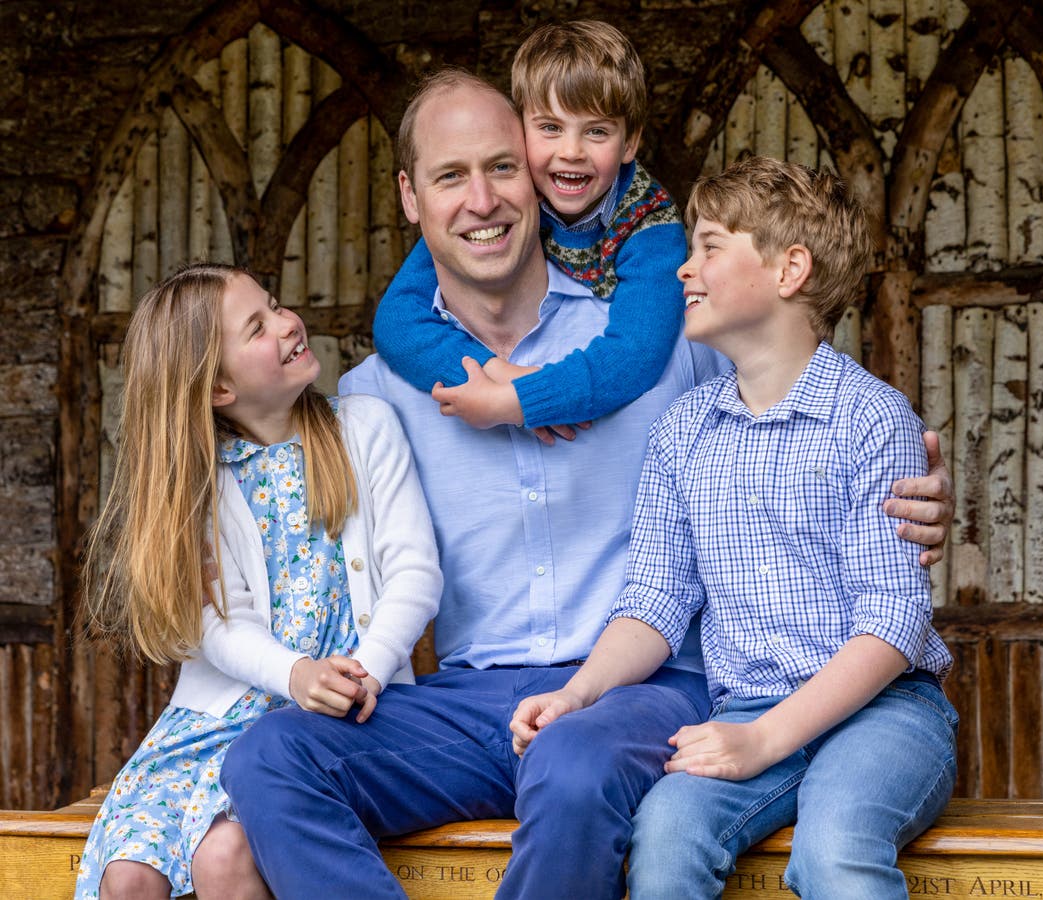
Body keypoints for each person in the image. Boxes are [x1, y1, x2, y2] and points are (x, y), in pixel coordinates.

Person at [220, 73, 955, 900]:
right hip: (471, 702)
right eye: (450, 176)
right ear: (410, 197)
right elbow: (257, 483)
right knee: (269, 757)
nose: (482, 200)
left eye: (502, 167)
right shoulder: (374, 396)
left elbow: (796, 407)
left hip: (645, 692)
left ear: (537, 179)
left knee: (573, 764)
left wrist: (919, 487)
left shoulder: (660, 341)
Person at [510, 157, 959, 900]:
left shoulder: (871, 419)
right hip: (746, 707)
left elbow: (894, 619)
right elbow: (654, 601)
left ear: (790, 270)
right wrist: (577, 693)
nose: (684, 268)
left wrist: (764, 740)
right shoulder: (683, 431)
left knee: (835, 847)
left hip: (885, 713)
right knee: (665, 837)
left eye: (710, 247)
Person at [73, 263, 442, 900]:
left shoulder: (365, 428)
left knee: (224, 857)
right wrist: (294, 673)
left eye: (275, 305)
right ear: (219, 386)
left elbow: (415, 572)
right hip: (215, 722)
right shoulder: (200, 484)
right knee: (128, 875)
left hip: (345, 711)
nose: (287, 322)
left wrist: (369, 670)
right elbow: (219, 624)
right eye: (257, 327)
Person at [372, 21, 684, 436]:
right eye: (550, 128)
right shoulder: (515, 198)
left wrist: (522, 400)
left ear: (629, 144)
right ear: (520, 130)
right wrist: (495, 373)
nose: (570, 152)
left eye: (596, 131)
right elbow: (396, 321)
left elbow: (637, 354)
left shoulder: (650, 224)